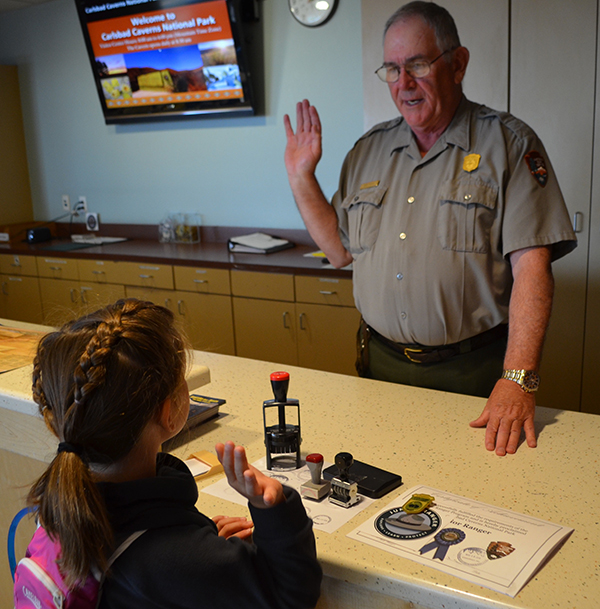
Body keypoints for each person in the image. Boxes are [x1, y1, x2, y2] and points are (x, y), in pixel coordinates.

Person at [283, 1, 576, 457]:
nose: (404, 84)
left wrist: (518, 380)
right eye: (392, 69)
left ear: (457, 64)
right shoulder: (367, 152)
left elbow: (534, 270)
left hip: (473, 376)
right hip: (379, 367)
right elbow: (339, 250)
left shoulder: (509, 144)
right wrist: (302, 177)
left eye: (417, 64)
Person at [24, 298, 322, 608]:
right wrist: (273, 509)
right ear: (171, 411)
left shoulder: (57, 507)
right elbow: (290, 595)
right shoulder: (178, 558)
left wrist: (199, 541)